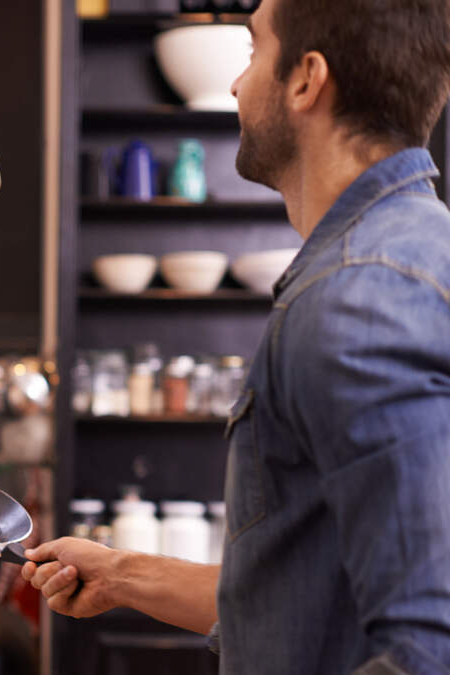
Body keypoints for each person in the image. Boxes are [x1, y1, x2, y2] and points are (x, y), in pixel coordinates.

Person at [23, 0, 450, 672]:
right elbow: (314, 603)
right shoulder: (402, 258)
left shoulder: (361, 295)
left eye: (253, 52)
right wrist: (121, 573)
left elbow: (426, 649)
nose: (234, 84)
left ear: (306, 80)